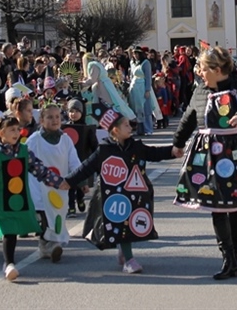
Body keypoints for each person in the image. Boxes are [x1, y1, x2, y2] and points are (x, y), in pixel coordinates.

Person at [172, 45, 237, 280]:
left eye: (202, 68)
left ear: (218, 69)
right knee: (217, 206)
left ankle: (236, 251)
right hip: (210, 156)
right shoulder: (199, 91)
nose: (199, 72)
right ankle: (228, 257)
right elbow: (189, 118)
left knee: (236, 204)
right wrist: (177, 143)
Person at [63, 108, 178, 274]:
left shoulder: (135, 146)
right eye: (126, 125)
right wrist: (68, 181)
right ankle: (129, 260)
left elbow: (153, 152)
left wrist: (172, 151)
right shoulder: (104, 150)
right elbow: (85, 168)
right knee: (120, 222)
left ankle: (125, 252)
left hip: (136, 193)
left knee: (131, 224)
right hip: (113, 197)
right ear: (115, 130)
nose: (130, 127)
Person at [0, 114, 67, 281]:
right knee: (9, 232)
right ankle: (9, 264)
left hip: (22, 199)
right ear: (1, 133)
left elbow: (40, 169)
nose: (16, 133)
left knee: (31, 223)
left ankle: (46, 245)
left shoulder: (24, 151)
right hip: (3, 202)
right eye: (11, 130)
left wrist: (58, 182)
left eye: (18, 129)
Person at [27, 103, 82, 264]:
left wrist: (81, 180)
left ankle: (46, 245)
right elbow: (25, 161)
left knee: (57, 215)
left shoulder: (65, 140)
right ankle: (50, 244)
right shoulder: (34, 140)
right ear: (41, 120)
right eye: (50, 117)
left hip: (60, 186)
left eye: (57, 116)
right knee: (45, 216)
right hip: (39, 187)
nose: (55, 120)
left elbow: (74, 161)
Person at [63, 98, 98, 215]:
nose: (73, 114)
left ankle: (80, 199)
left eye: (76, 111)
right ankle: (71, 207)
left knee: (81, 184)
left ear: (82, 113)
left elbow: (94, 145)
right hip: (68, 161)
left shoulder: (86, 128)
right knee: (70, 184)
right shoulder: (65, 128)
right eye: (71, 111)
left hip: (83, 160)